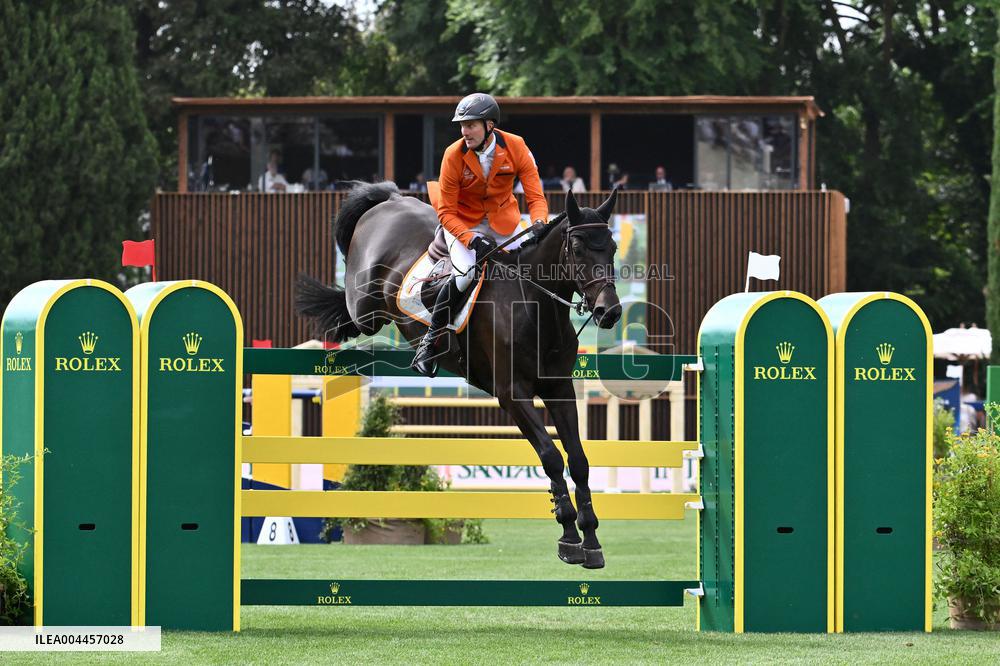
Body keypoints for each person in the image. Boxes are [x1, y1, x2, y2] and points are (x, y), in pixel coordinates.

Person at [410, 93, 549, 377]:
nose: (464, 131)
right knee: (465, 274)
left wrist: (539, 223)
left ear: (489, 125)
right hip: (462, 222)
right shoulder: (453, 154)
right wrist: (471, 239)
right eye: (462, 125)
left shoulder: (517, 146)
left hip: (503, 220)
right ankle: (429, 343)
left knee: (534, 264)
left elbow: (536, 197)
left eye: (471, 125)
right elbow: (446, 212)